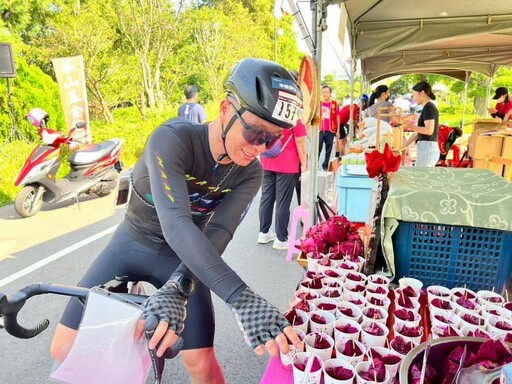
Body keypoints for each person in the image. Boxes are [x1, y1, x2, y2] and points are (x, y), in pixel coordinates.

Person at [50, 58, 304, 384]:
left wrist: (179, 287)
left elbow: (219, 232)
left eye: (274, 139)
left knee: (201, 362)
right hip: (134, 241)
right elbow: (176, 223)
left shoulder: (250, 172)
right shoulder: (172, 139)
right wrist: (242, 299)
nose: (260, 148)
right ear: (226, 109)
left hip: (186, 256)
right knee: (64, 348)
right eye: (255, 132)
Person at [258, 73, 308, 250]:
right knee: (283, 200)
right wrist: (305, 166)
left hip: (267, 158)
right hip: (286, 162)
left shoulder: (268, 103)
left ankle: (263, 233)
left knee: (267, 196)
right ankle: (281, 238)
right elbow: (301, 142)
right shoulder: (294, 109)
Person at [401, 81, 440, 167]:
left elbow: (429, 130)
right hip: (426, 149)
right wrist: (402, 146)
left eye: (414, 95)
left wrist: (409, 126)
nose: (413, 98)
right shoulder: (427, 108)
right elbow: (417, 133)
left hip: (428, 149)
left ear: (422, 93)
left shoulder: (428, 108)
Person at [318, 85, 339, 171]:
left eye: (327, 92)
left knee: (329, 148)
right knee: (318, 147)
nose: (325, 94)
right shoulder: (319, 104)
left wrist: (338, 131)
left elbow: (338, 116)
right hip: (320, 129)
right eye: (323, 92)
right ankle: (315, 165)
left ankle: (325, 165)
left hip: (331, 129)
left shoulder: (334, 103)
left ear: (330, 93)